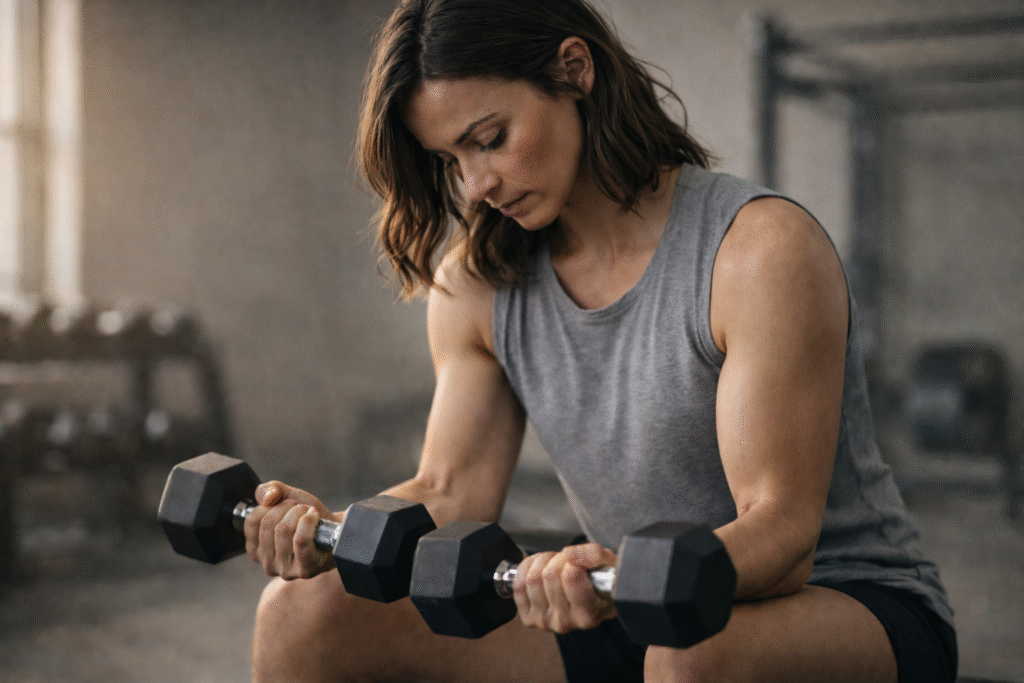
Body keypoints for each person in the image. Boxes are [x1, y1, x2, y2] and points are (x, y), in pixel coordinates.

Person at [244, 0, 958, 681]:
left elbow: (782, 533)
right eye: (449, 160)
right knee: (301, 611)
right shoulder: (478, 284)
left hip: (839, 605)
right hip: (634, 605)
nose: (476, 184)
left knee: (688, 654)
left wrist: (618, 576)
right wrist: (330, 526)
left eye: (490, 139)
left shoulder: (758, 252)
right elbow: (451, 487)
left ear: (575, 70)